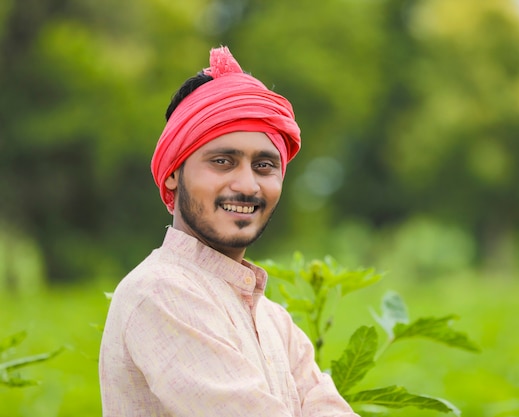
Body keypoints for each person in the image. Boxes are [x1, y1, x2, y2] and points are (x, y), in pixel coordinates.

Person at [99, 46, 358, 417]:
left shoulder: (274, 321)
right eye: (223, 161)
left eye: (265, 166)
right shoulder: (159, 293)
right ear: (173, 172)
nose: (248, 186)